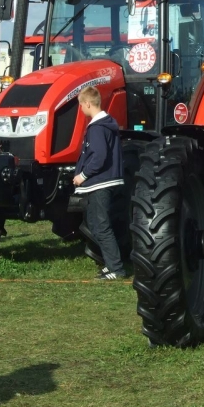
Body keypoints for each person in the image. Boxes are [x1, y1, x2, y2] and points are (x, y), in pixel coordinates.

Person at [72, 85, 126, 280]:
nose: (80, 109)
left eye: (80, 105)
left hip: (100, 183)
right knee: (96, 224)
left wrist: (82, 176)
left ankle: (116, 269)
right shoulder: (107, 123)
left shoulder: (96, 128)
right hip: (105, 181)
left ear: (87, 103)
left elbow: (99, 156)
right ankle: (110, 264)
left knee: (101, 225)